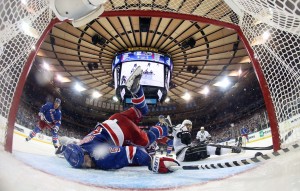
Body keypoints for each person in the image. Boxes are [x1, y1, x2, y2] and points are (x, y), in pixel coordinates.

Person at [56, 66, 180, 173]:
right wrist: (62, 149)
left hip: (123, 130)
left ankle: (164, 127)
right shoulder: (80, 144)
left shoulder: (99, 156)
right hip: (113, 119)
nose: (87, 164)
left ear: (83, 153)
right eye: (83, 165)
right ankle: (137, 91)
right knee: (143, 110)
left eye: (84, 161)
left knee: (146, 141)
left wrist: (153, 163)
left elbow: (133, 152)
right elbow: (67, 141)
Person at [172, 119, 241, 162]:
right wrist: (173, 129)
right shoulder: (180, 129)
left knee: (207, 147)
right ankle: (232, 149)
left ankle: (230, 148)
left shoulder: (186, 133)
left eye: (190, 126)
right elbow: (179, 134)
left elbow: (187, 142)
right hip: (183, 154)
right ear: (183, 125)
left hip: (185, 153)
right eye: (187, 125)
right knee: (207, 147)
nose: (189, 127)